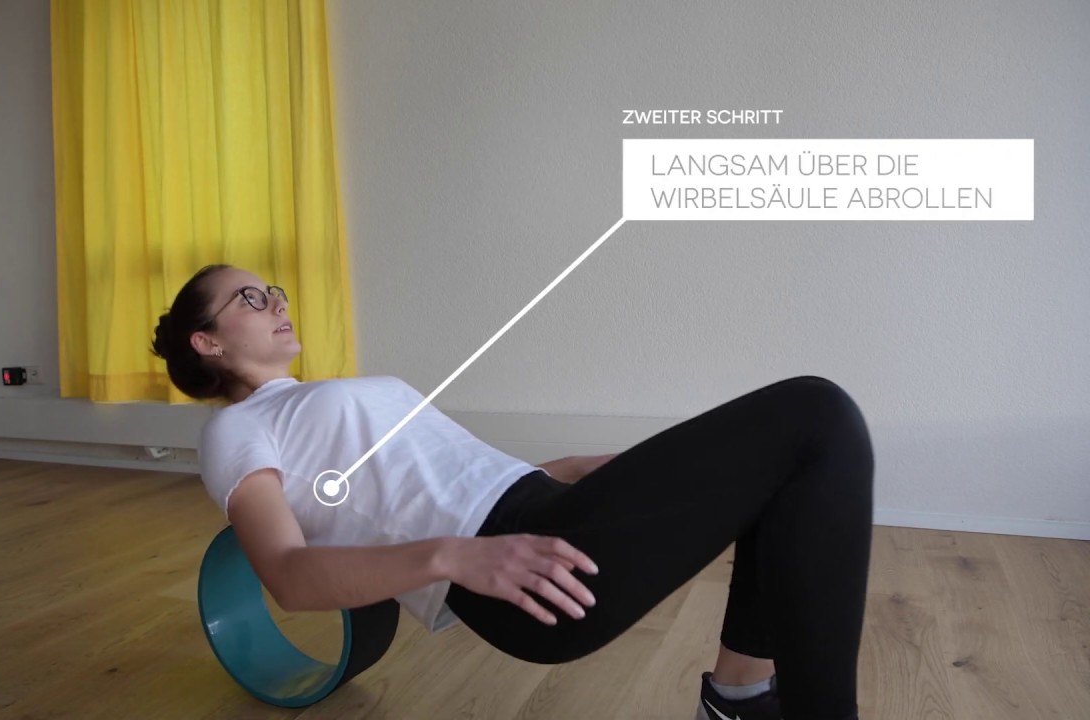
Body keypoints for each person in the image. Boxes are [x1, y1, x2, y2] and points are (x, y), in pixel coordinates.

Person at [151, 264, 875, 720]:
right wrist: (452, 557)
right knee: (815, 413)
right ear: (206, 342)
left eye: (275, 291)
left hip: (536, 506)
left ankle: (740, 698)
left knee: (793, 463)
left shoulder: (315, 397)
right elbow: (288, 576)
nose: (276, 301)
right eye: (251, 297)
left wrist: (563, 468)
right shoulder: (235, 429)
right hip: (511, 564)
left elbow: (440, 473)